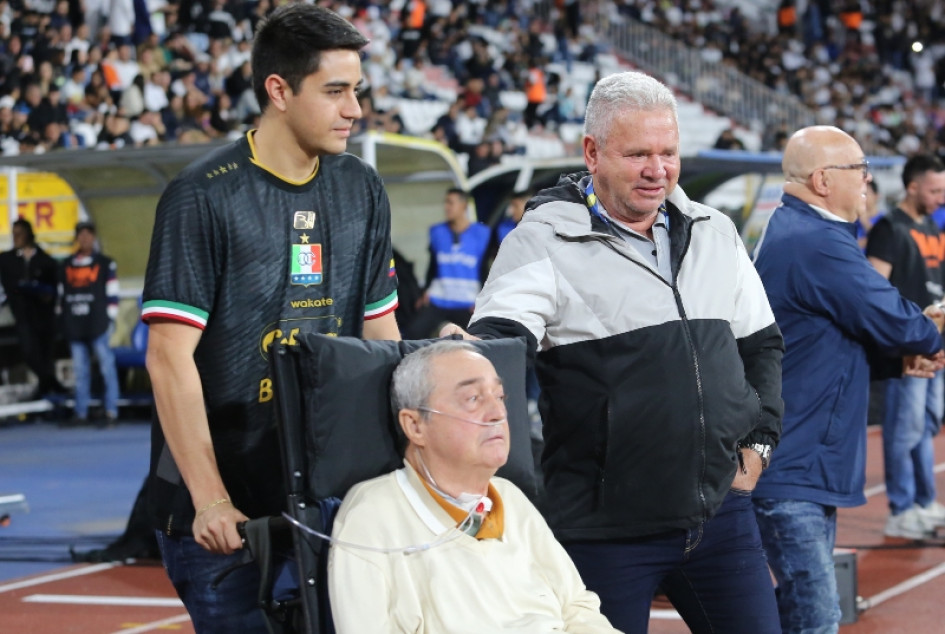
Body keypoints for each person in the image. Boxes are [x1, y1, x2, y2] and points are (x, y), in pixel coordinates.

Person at [449, 71, 785, 633]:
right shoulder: (541, 241)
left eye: (668, 152)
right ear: (593, 152)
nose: (658, 170)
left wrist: (759, 441)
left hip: (720, 519)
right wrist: (470, 356)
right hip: (605, 533)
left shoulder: (714, 231)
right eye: (638, 155)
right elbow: (499, 348)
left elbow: (761, 344)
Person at [140, 5, 401, 632]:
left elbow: (380, 337)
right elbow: (168, 356)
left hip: (328, 494)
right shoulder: (202, 194)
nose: (354, 110)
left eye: (356, 91)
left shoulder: (361, 187)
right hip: (226, 511)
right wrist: (210, 499)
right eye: (335, 91)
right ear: (278, 91)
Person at [751, 126, 945, 633]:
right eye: (858, 169)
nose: (866, 181)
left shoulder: (798, 231)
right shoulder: (816, 242)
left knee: (793, 611)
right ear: (821, 180)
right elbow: (899, 322)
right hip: (796, 462)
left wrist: (895, 361)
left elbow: (821, 340)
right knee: (816, 617)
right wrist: (929, 331)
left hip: (800, 459)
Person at [328, 340, 620, 633]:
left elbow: (577, 607)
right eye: (473, 399)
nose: (498, 413)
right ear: (415, 426)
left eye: (500, 396)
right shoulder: (372, 517)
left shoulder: (508, 496)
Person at [866, 154, 945, 538]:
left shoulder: (932, 225)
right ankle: (901, 508)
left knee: (925, 425)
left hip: (934, 345)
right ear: (912, 187)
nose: (940, 198)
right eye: (934, 190)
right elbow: (875, 290)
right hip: (906, 346)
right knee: (904, 428)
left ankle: (923, 500)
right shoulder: (889, 228)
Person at [405, 188, 490, 339]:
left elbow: (485, 269)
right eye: (445, 202)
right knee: (413, 333)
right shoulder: (437, 231)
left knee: (477, 339)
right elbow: (433, 265)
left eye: (450, 203)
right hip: (439, 299)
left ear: (464, 206)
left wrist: (483, 299)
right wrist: (425, 290)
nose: (446, 207)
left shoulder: (482, 233)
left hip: (467, 301)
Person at [59, 220, 121, 426]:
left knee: (106, 367)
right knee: (80, 370)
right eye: (81, 235)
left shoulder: (105, 263)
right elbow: (61, 296)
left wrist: (110, 319)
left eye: (88, 234)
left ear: (93, 238)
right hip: (75, 325)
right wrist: (63, 320)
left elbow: (113, 294)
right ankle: (81, 413)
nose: (84, 238)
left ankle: (111, 411)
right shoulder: (66, 265)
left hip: (98, 325)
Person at [0, 218, 65, 399]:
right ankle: (53, 384)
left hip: (44, 316)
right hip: (22, 315)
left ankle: (45, 390)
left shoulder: (44, 260)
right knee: (29, 352)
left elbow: (55, 284)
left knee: (45, 355)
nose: (16, 237)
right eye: (13, 234)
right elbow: (9, 285)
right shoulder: (6, 259)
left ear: (28, 234)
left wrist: (46, 294)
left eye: (19, 233)